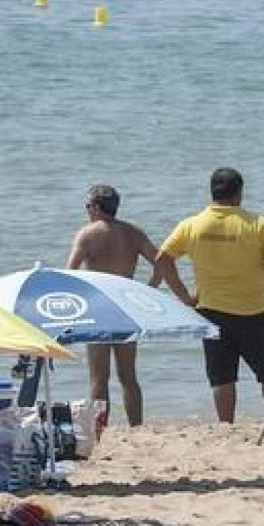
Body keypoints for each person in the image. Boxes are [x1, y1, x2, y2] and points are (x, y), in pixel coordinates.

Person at [156, 167, 264, 423]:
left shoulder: (192, 224)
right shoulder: (256, 224)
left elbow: (163, 259)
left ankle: (226, 425)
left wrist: (184, 296)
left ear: (212, 192)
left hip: (211, 310)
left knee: (222, 377)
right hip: (253, 311)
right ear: (239, 192)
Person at [67, 183, 161, 427]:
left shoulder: (87, 234)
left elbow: (70, 274)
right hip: (126, 309)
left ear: (97, 208)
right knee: (129, 376)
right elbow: (161, 263)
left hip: (97, 310)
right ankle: (136, 428)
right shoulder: (133, 233)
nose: (87, 211)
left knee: (99, 378)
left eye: (88, 206)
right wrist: (148, 291)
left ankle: (100, 430)